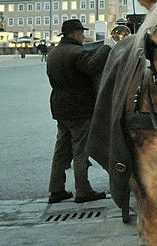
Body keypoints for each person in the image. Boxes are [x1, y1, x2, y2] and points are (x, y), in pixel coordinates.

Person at [46, 19, 113, 203]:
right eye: (81, 32)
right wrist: (107, 47)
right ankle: (83, 190)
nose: (83, 36)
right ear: (74, 33)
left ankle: (56, 190)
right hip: (79, 107)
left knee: (61, 150)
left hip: (60, 106)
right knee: (81, 150)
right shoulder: (76, 52)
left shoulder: (53, 53)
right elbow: (92, 67)